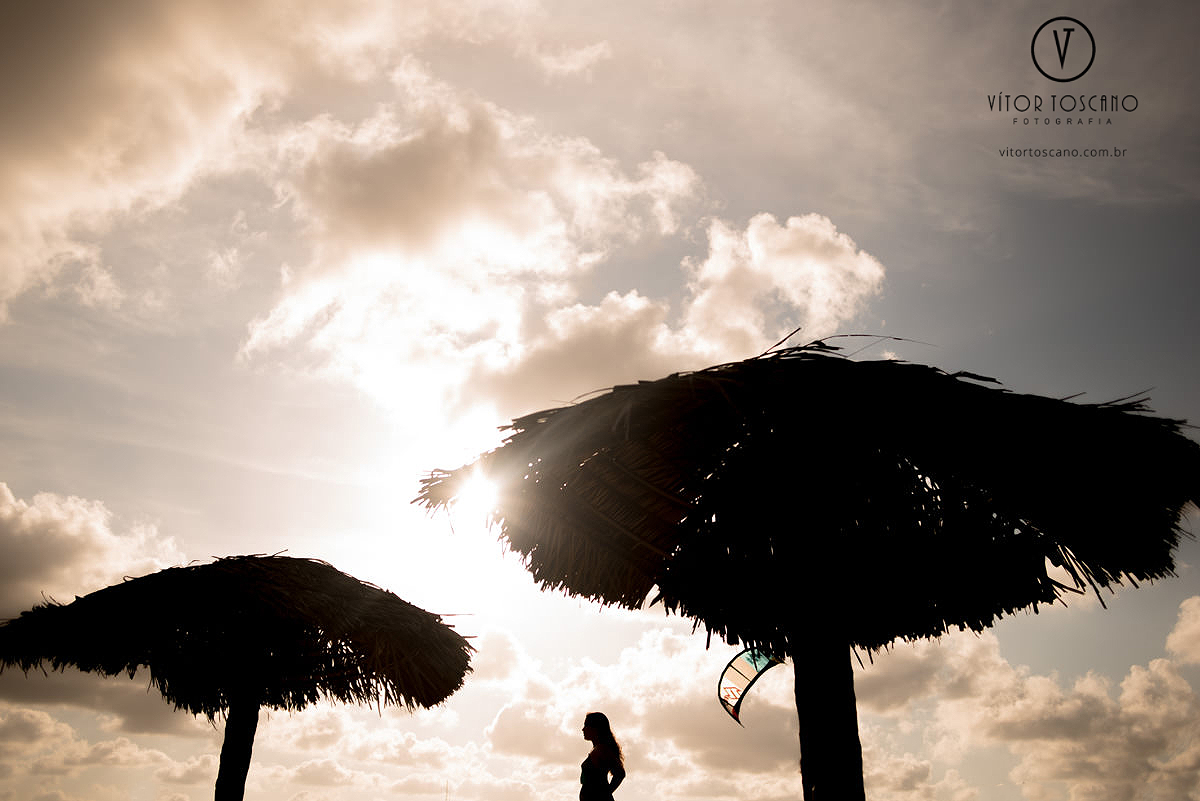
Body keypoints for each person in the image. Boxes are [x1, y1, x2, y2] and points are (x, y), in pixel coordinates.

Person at [580, 712, 625, 801]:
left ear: (595, 728)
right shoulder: (597, 749)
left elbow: (620, 773)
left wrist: (604, 794)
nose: (583, 729)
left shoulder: (602, 749)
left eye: (586, 725)